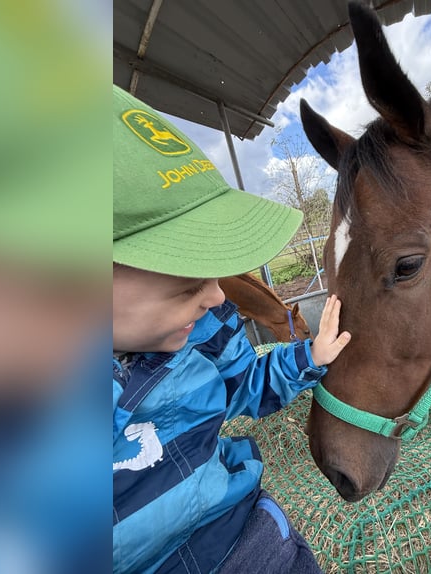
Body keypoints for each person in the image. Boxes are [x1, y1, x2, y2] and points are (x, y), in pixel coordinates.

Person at [112, 85, 350, 574]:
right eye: (186, 280)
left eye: (214, 273)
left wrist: (309, 356)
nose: (219, 297)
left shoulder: (209, 325)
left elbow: (247, 383)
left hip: (246, 540)